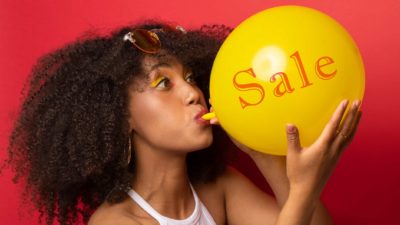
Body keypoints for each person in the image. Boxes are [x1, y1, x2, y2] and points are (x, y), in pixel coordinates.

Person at [5, 20, 362, 225]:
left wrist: (268, 160)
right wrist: (302, 190)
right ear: (121, 117)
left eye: (191, 78)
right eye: (164, 83)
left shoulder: (218, 188)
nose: (194, 93)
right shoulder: (116, 223)